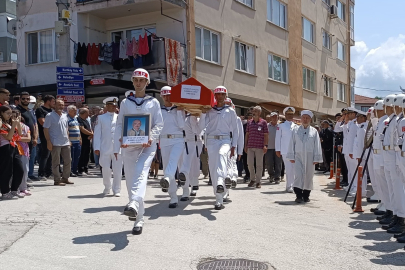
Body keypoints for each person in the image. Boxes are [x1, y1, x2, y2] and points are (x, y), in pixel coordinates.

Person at [113, 68, 163, 235]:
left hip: (147, 147)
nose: (139, 83)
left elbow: (158, 124)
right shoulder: (126, 102)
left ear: (147, 82)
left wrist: (151, 137)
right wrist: (121, 140)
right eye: (136, 80)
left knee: (141, 174)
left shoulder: (153, 103)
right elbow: (120, 124)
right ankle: (138, 216)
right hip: (129, 147)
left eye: (142, 80)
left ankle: (134, 204)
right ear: (133, 82)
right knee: (130, 181)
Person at [199, 86, 238, 210]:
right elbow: (201, 127)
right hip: (211, 141)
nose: (220, 96)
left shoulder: (230, 111)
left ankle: (221, 182)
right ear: (214, 96)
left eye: (222, 94)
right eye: (218, 94)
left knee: (222, 155)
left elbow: (236, 130)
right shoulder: (210, 110)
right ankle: (218, 199)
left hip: (225, 140)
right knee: (213, 167)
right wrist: (203, 114)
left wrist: (234, 145)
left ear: (226, 96)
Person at [380, 94, 405, 233]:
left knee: (399, 190)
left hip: (397, 156)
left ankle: (401, 219)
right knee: (394, 189)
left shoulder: (399, 120)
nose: (393, 109)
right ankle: (396, 215)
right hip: (392, 156)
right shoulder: (394, 120)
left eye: (395, 106)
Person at [158, 86, 186, 208]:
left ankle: (168, 179)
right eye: (164, 95)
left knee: (174, 160)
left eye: (169, 95)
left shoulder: (179, 108)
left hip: (178, 139)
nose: (167, 97)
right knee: (166, 166)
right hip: (164, 140)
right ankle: (173, 197)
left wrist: (180, 111)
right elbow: (156, 127)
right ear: (161, 96)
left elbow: (182, 125)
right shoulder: (158, 110)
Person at [286, 110, 323, 203]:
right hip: (298, 156)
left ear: (310, 119)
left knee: (308, 176)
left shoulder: (314, 131)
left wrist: (316, 158)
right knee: (298, 175)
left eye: (307, 118)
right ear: (301, 119)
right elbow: (292, 143)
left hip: (310, 157)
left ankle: (306, 195)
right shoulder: (295, 130)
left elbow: (317, 145)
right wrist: (291, 156)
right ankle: (298, 195)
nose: (305, 119)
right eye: (304, 117)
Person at [93, 97, 123, 197]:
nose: (113, 107)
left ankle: (117, 189)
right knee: (105, 168)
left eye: (114, 105)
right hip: (105, 146)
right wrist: (96, 147)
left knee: (117, 169)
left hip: (117, 147)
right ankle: (107, 187)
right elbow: (97, 133)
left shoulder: (119, 117)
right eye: (111, 105)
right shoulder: (101, 118)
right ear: (107, 106)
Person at [43, 99, 73, 186]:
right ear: (55, 105)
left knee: (68, 160)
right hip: (55, 142)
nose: (61, 106)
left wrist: (68, 139)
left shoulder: (65, 116)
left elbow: (66, 129)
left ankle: (65, 178)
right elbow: (46, 129)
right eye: (59, 104)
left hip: (65, 142)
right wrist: (48, 141)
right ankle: (57, 180)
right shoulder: (49, 115)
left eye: (62, 105)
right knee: (56, 162)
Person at [0, 105, 24, 199]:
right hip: (5, 148)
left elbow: (20, 134)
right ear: (2, 113)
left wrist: (17, 123)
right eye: (8, 113)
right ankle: (5, 192)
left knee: (19, 169)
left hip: (14, 147)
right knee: (7, 171)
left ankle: (14, 190)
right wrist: (13, 125)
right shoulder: (1, 123)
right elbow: (9, 137)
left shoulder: (8, 123)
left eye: (11, 113)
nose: (10, 115)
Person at [179, 113, 203, 199]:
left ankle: (194, 184)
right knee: (182, 164)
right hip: (182, 142)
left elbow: (196, 131)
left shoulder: (194, 117)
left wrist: (193, 117)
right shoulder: (180, 115)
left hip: (194, 142)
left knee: (194, 164)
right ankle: (185, 190)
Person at [372, 100, 390, 217]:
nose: (375, 112)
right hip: (377, 154)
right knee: (380, 182)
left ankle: (387, 206)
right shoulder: (380, 122)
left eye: (376, 110)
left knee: (385, 183)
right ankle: (383, 203)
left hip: (382, 156)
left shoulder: (385, 122)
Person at [334, 108, 358, 195]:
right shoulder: (347, 123)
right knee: (350, 170)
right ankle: (351, 185)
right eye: (345, 114)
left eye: (348, 114)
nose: (346, 116)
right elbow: (336, 129)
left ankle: (356, 188)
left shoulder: (356, 123)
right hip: (347, 151)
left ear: (354, 114)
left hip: (353, 151)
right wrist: (341, 120)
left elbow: (356, 139)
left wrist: (353, 151)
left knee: (355, 170)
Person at [245, 106, 268, 188]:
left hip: (259, 147)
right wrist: (245, 145)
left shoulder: (263, 122)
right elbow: (247, 134)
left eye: (256, 111)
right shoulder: (249, 122)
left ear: (259, 113)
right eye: (253, 111)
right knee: (250, 164)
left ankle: (258, 181)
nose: (254, 112)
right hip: (250, 146)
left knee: (259, 165)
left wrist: (265, 145)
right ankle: (252, 179)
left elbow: (266, 135)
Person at [275, 107, 297, 193]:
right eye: (288, 114)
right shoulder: (281, 125)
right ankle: (289, 186)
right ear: (285, 115)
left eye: (291, 114)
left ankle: (294, 185)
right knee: (288, 169)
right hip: (285, 150)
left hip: (294, 151)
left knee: (294, 169)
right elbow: (278, 138)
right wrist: (278, 149)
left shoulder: (296, 126)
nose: (290, 116)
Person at [17, 93, 38, 179]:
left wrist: (35, 137)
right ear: (20, 100)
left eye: (27, 99)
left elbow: (34, 124)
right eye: (23, 99)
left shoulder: (30, 111)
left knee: (30, 158)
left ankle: (28, 176)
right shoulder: (17, 111)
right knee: (22, 161)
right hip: (22, 140)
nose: (26, 100)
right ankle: (22, 179)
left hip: (31, 139)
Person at [36, 95, 55, 180]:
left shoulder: (51, 111)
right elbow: (42, 122)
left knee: (51, 154)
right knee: (45, 154)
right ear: (48, 101)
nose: (54, 103)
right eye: (53, 101)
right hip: (44, 134)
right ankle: (41, 173)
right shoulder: (40, 109)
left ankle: (49, 172)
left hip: (52, 135)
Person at [13, 110, 32, 196]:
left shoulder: (26, 127)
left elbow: (28, 139)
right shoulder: (11, 127)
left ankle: (23, 188)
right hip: (15, 150)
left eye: (18, 115)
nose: (16, 117)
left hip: (24, 151)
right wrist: (19, 138)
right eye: (14, 116)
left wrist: (17, 138)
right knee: (16, 171)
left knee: (25, 170)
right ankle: (15, 188)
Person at [265, 111, 282, 184]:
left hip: (278, 148)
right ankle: (271, 175)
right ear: (271, 118)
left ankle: (277, 177)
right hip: (269, 148)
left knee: (278, 163)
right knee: (269, 163)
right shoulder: (267, 126)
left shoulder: (280, 126)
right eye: (273, 117)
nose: (274, 118)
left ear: (278, 118)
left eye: (276, 117)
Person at [77, 108, 93, 176]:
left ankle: (86, 169)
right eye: (87, 113)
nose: (88, 114)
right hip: (82, 140)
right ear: (84, 113)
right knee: (82, 155)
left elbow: (90, 128)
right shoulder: (79, 119)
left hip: (88, 139)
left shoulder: (86, 120)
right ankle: (81, 170)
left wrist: (91, 134)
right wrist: (91, 134)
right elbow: (82, 129)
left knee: (87, 155)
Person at [334, 112, 348, 186]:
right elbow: (336, 130)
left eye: (345, 115)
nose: (344, 116)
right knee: (343, 164)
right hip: (342, 147)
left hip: (347, 148)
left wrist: (341, 145)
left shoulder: (351, 124)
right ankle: (345, 179)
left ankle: (347, 180)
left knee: (346, 166)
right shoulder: (343, 123)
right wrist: (339, 121)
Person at [67, 105, 82, 177]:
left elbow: (78, 129)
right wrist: (68, 140)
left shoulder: (76, 119)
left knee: (77, 157)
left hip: (77, 141)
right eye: (74, 110)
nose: (76, 111)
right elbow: (66, 130)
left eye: (76, 110)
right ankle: (70, 171)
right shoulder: (66, 119)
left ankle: (75, 170)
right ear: (69, 111)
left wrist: (80, 138)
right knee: (71, 158)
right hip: (71, 142)